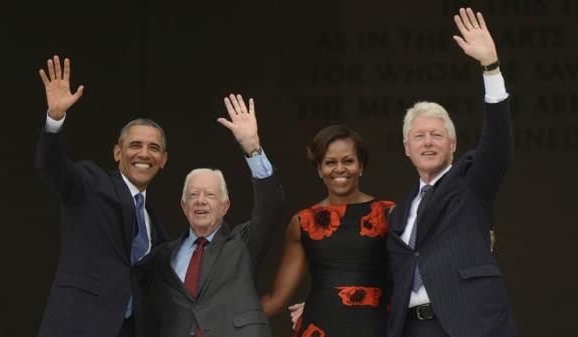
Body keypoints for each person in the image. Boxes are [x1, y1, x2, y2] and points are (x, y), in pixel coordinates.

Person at [387, 8, 517, 337]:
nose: (428, 142)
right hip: (412, 328)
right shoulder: (399, 213)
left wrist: (490, 67)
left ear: (453, 144)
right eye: (419, 136)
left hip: (469, 323)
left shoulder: (471, 182)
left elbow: (498, 142)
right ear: (406, 148)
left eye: (437, 135)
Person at [35, 55, 169, 337]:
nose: (144, 154)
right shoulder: (91, 183)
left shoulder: (154, 224)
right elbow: (52, 167)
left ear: (164, 159)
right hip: (79, 326)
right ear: (117, 153)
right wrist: (55, 117)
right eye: (135, 145)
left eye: (153, 148)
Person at [145, 94, 286, 337]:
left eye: (209, 195)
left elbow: (272, 206)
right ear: (183, 205)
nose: (200, 200)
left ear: (225, 205)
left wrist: (252, 147)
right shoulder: (163, 256)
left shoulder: (244, 243)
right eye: (193, 195)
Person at [260, 125, 393, 337]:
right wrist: (221, 318)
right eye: (330, 162)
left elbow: (408, 276)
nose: (339, 169)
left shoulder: (388, 213)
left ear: (361, 166)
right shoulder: (303, 221)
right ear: (319, 169)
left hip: (376, 326)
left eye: (348, 161)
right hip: (320, 325)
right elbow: (277, 299)